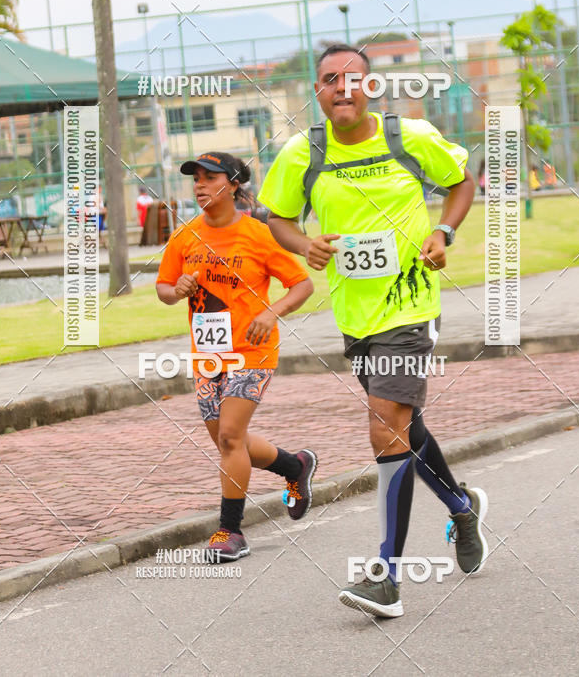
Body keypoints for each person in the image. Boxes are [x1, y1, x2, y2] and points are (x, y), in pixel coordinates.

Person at [258, 43, 488, 618]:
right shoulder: (302, 152)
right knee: (404, 430)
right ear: (318, 92)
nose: (342, 88)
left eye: (353, 78)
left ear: (371, 87)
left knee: (385, 429)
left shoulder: (409, 137)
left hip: (410, 308)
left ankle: (386, 577)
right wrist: (302, 242)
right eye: (330, 80)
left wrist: (446, 233)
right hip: (355, 317)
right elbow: (279, 218)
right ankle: (461, 507)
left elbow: (461, 180)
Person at [156, 151, 316, 562]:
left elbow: (301, 285)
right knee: (232, 441)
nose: (200, 186)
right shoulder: (184, 235)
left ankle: (231, 532)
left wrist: (270, 312)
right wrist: (178, 290)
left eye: (209, 178)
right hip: (208, 356)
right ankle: (295, 466)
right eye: (196, 180)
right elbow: (163, 288)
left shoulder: (258, 233)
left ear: (232, 184)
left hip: (253, 351)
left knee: (229, 436)